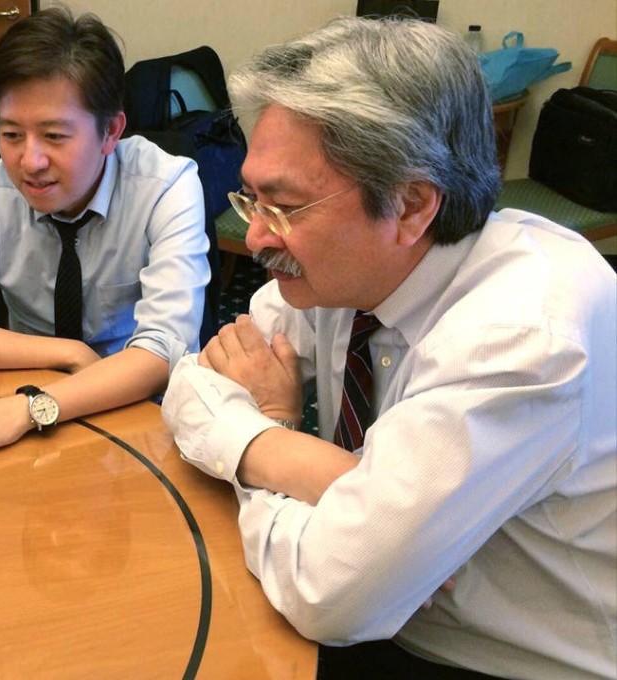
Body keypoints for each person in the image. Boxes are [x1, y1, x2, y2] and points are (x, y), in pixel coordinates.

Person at [161, 16, 616, 680]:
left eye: (282, 206)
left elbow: (328, 594)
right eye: (251, 198)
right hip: (389, 615)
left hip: (499, 661)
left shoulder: (524, 339)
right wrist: (348, 491)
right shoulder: (348, 270)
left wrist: (271, 433)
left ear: (409, 206)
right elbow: (196, 380)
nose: (255, 236)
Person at [0, 8, 210, 461]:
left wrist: (32, 409)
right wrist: (67, 353)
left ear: (111, 131)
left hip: (133, 415)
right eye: (11, 134)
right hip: (20, 401)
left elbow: (162, 353)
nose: (30, 161)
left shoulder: (167, 186)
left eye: (55, 136)